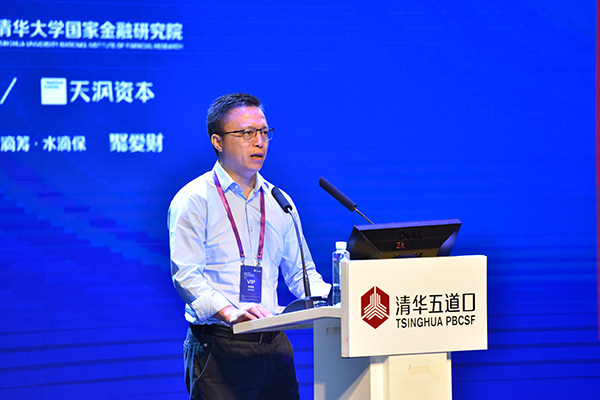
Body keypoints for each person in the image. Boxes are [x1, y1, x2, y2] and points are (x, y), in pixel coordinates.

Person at [168, 92, 331, 399]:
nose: (259, 141)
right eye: (246, 133)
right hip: (219, 345)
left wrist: (338, 297)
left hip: (274, 345)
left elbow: (302, 276)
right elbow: (186, 276)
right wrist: (231, 312)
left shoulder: (278, 201)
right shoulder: (193, 200)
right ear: (218, 141)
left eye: (264, 132)